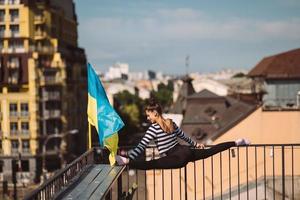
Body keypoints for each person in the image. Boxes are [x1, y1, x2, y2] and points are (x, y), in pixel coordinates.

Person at [116, 99, 250, 170]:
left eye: (148, 115)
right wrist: (196, 144)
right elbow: (184, 136)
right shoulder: (171, 122)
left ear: (155, 113)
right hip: (186, 151)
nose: (147, 118)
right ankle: (237, 142)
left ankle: (126, 162)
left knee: (151, 164)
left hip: (177, 158)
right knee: (212, 151)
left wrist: (129, 156)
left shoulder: (153, 129)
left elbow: (141, 147)